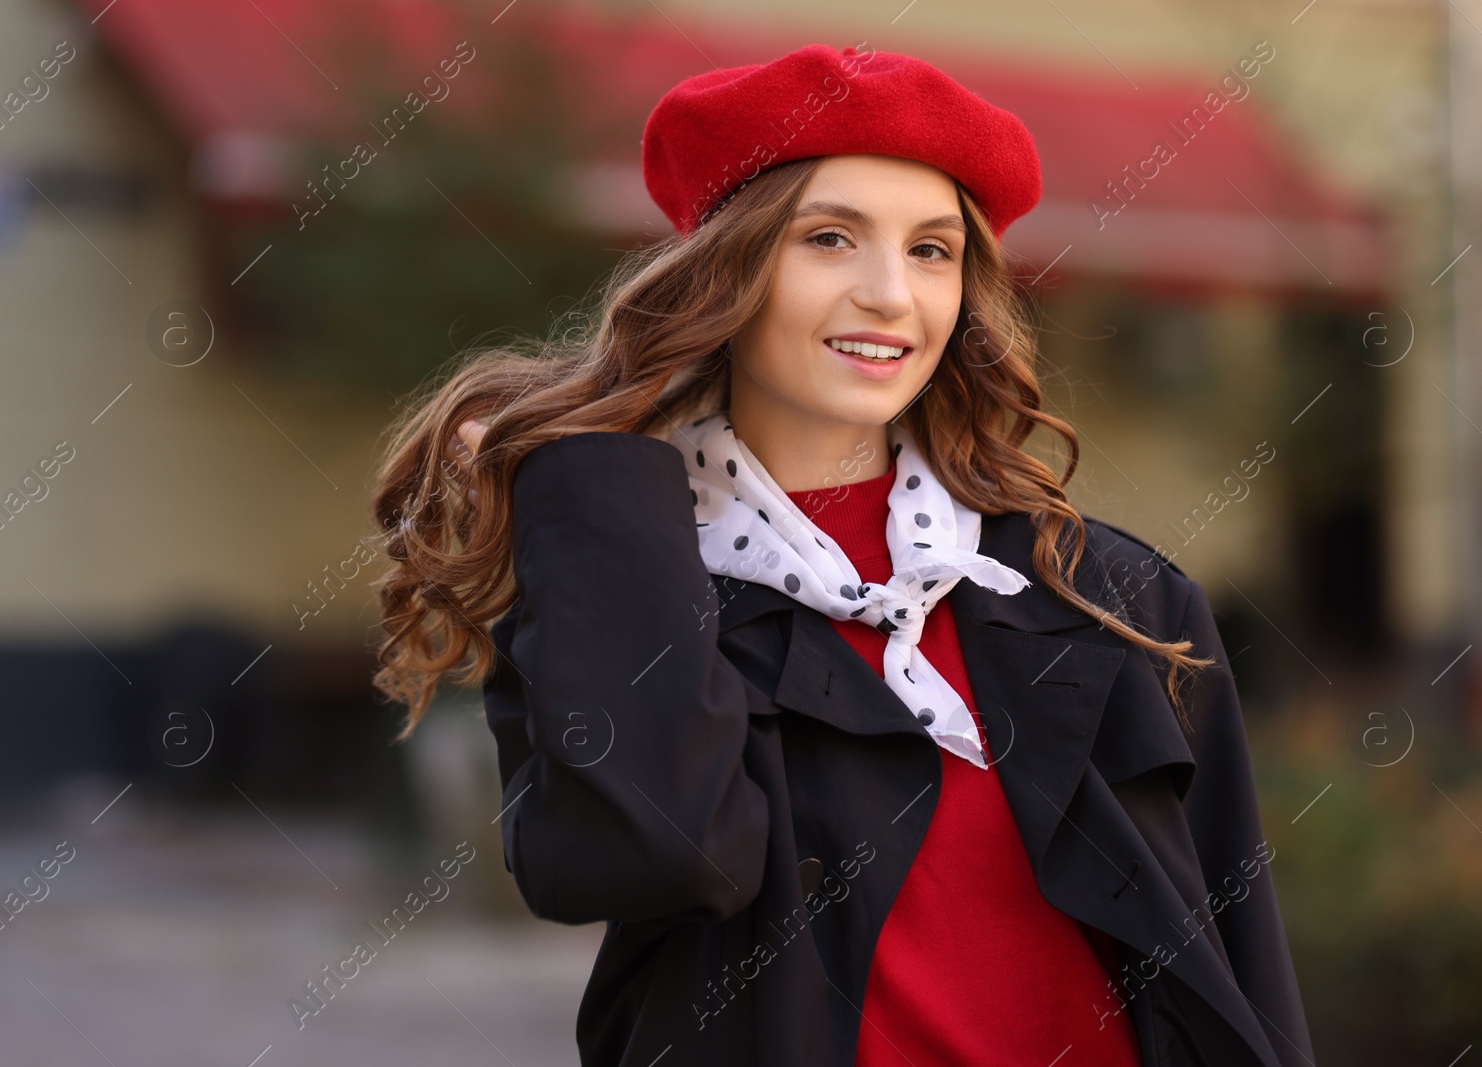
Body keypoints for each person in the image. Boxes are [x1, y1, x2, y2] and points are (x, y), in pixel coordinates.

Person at [370, 42, 1316, 1067]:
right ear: (723, 271)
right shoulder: (632, 584)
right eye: (828, 238)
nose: (890, 296)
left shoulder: (1110, 596)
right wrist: (593, 485)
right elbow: (647, 856)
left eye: (931, 250)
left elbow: (1242, 961)